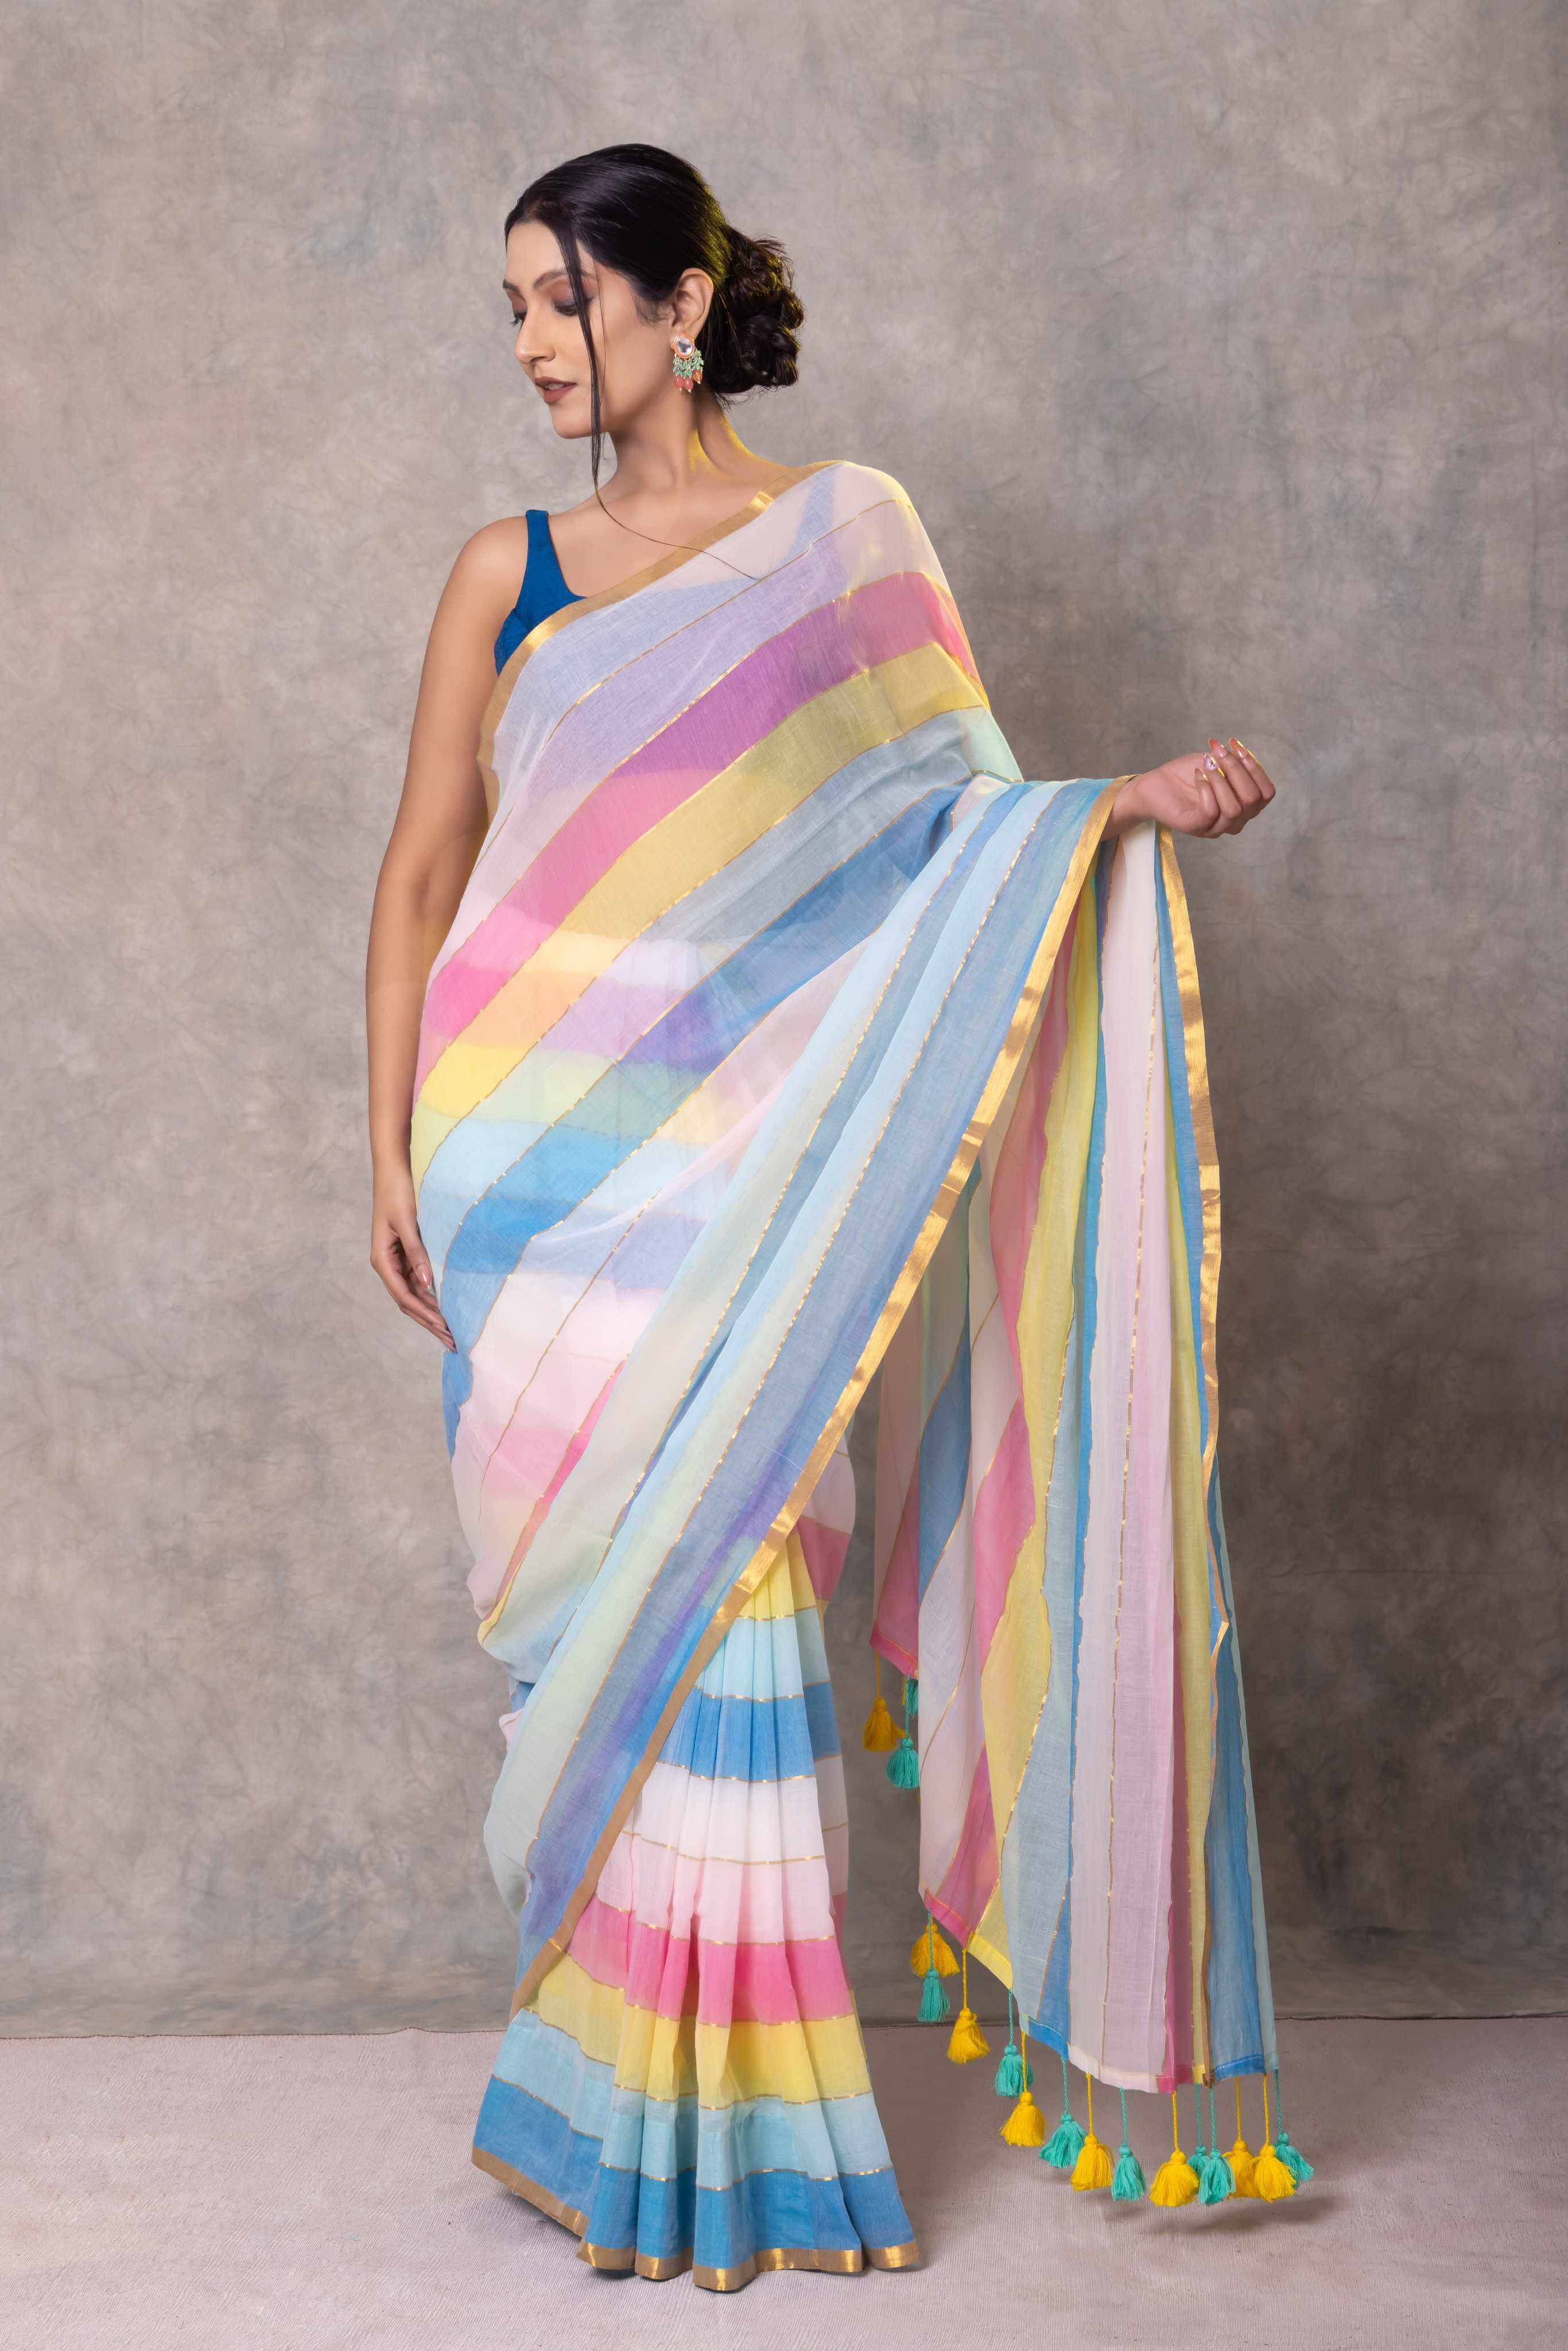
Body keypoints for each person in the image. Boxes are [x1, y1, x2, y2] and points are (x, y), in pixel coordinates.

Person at [364, 142, 1300, 2293]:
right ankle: (592, 2109)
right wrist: (387, 1149)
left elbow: (951, 829)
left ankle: (740, 2142)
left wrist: (1115, 811)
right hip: (525, 1163)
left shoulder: (841, 539)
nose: (527, 343)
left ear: (679, 307)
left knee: (736, 1604)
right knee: (590, 1620)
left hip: (745, 1180)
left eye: (557, 302)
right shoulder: (498, 573)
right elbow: (423, 874)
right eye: (507, 306)